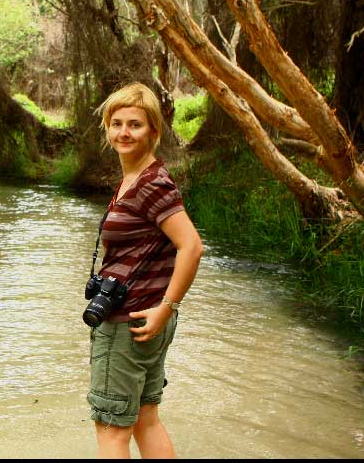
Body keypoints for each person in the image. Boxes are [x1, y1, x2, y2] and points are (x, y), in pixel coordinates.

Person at [87, 82, 203, 459]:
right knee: (144, 420)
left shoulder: (152, 183)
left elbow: (192, 246)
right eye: (116, 122)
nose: (123, 132)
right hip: (145, 319)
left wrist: (166, 306)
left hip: (130, 321)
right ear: (107, 127)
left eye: (134, 124)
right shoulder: (135, 178)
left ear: (154, 130)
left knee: (111, 430)